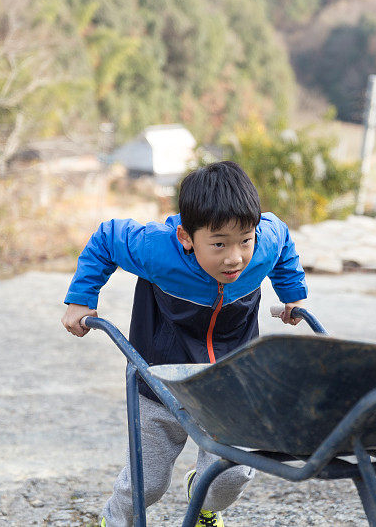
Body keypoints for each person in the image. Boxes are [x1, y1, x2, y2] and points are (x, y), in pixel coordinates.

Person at [61, 161, 308, 527]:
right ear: (186, 238)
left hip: (230, 380)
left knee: (231, 475)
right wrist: (81, 298)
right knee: (147, 484)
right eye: (219, 244)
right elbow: (107, 238)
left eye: (244, 240)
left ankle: (204, 503)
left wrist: (293, 296)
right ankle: (115, 521)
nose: (235, 257)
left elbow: (282, 238)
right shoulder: (156, 250)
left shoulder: (263, 243)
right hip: (160, 379)